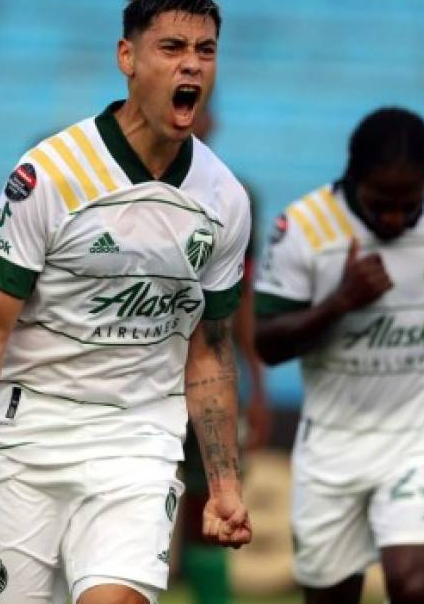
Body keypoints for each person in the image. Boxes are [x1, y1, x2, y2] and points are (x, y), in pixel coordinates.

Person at [0, 0, 253, 604]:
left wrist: (225, 484)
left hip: (139, 438)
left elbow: (211, 351)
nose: (191, 63)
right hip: (31, 431)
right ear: (127, 58)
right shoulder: (48, 174)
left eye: (206, 50)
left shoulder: (225, 201)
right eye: (171, 47)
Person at [253, 107, 424, 604]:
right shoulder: (305, 230)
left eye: (410, 205)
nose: (395, 218)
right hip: (332, 443)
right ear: (352, 180)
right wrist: (340, 302)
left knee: (411, 584)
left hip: (423, 435)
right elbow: (266, 344)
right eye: (382, 206)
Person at [177, 107, 270, 604]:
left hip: (206, 374)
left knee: (207, 509)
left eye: (203, 109)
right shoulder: (123, 194)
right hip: (137, 378)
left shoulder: (234, 199)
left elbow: (244, 300)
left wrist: (257, 385)